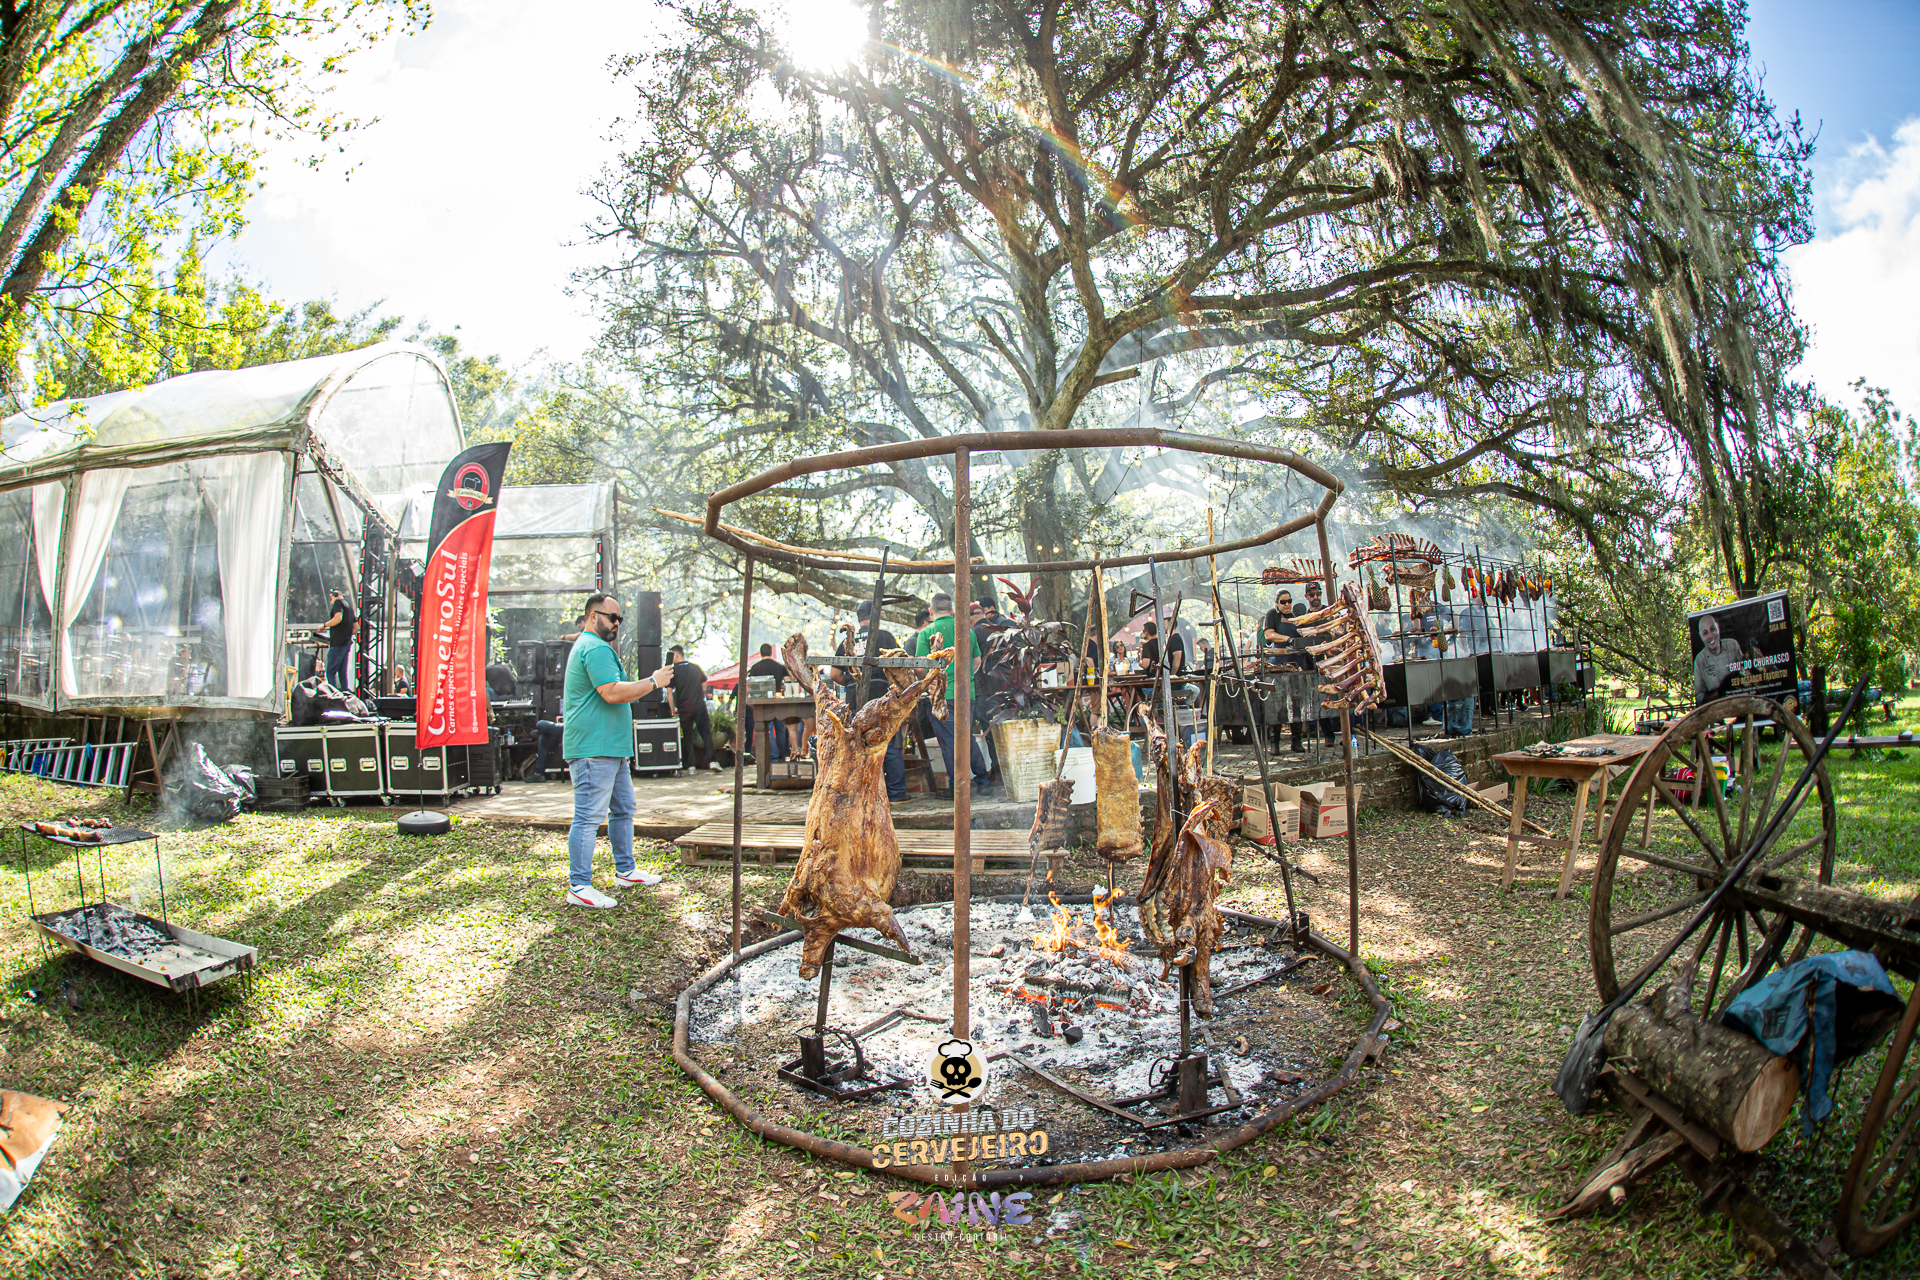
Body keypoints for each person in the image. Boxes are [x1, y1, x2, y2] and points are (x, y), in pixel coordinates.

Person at [562, 592, 674, 908]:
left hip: (610, 748)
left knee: (623, 808)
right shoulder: (595, 648)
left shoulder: (592, 646)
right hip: (594, 748)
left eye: (619, 619)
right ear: (593, 616)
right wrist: (654, 681)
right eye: (613, 618)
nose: (617, 624)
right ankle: (579, 886)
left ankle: (625, 871)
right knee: (588, 816)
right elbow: (612, 693)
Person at [914, 592, 988, 795]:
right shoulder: (967, 631)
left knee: (949, 740)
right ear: (952, 610)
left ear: (931, 611)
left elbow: (920, 667)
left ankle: (957, 787)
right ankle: (983, 781)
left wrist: (926, 680)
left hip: (941, 694)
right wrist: (965, 677)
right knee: (966, 736)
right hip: (966, 693)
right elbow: (977, 661)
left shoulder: (926, 632)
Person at [834, 601, 908, 803]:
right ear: (877, 615)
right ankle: (896, 793)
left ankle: (861, 794)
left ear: (858, 618)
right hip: (882, 692)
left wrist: (853, 682)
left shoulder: (847, 641)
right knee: (888, 739)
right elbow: (900, 664)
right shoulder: (884, 636)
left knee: (859, 742)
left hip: (855, 696)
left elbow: (834, 674)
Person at [665, 646, 716, 771]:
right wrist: (699, 696)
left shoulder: (673, 671)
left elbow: (669, 692)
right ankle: (713, 761)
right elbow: (704, 685)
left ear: (676, 655)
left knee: (688, 736)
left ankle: (691, 765)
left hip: (684, 708)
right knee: (706, 734)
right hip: (699, 706)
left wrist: (673, 708)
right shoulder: (696, 668)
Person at [745, 642, 790, 761]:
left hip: (763, 703)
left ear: (760, 653)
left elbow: (749, 685)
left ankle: (773, 757)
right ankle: (782, 755)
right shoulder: (780, 666)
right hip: (778, 701)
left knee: (768, 729)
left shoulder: (755, 667)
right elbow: (788, 681)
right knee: (780, 729)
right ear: (771, 652)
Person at [1693, 613, 1738, 704]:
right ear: (1700, 636)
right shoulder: (1699, 660)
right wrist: (1720, 691)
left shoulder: (1732, 644)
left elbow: (1746, 670)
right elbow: (1699, 698)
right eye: (1705, 633)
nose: (1710, 635)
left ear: (1718, 628)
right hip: (1718, 709)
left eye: (1713, 629)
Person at [323, 590, 355, 690]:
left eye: (331, 597)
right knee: (342, 673)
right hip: (346, 643)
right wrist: (346, 633)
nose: (331, 601)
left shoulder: (338, 603)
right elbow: (356, 628)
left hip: (337, 643)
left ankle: (333, 695)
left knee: (330, 672)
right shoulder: (349, 607)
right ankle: (345, 694)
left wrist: (324, 625)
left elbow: (338, 619)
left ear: (335, 595)